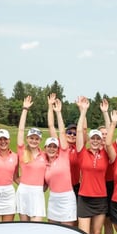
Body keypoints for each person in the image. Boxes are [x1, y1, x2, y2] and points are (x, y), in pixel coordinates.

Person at [75, 96, 110, 234]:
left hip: (100, 198)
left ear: (101, 140)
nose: (95, 140)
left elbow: (109, 131)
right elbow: (78, 131)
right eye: (93, 138)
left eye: (98, 138)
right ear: (89, 140)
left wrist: (106, 113)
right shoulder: (82, 153)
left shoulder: (106, 154)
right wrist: (83, 111)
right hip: (85, 198)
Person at [44, 95, 77, 225]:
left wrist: (58, 112)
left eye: (54, 146)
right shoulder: (47, 159)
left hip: (66, 198)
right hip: (53, 198)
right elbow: (51, 126)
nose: (52, 148)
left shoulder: (63, 152)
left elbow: (61, 131)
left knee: (69, 231)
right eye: (49, 146)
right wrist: (50, 107)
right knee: (53, 231)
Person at [16, 96, 46, 221]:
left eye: (36, 138)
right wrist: (25, 109)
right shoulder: (22, 151)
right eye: (31, 138)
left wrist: (43, 188)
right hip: (23, 191)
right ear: (28, 139)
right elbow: (21, 129)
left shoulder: (44, 154)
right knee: (25, 228)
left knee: (36, 226)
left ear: (40, 140)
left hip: (38, 192)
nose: (34, 140)